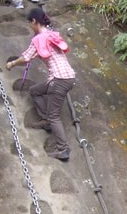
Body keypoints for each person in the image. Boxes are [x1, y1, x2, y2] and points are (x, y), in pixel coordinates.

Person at [6, 8, 76, 161]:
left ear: (34, 21)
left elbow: (26, 57)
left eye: (30, 23)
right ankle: (46, 121)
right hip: (65, 77)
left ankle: (63, 149)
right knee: (35, 91)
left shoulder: (39, 38)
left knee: (54, 116)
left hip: (59, 80)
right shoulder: (52, 35)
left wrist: (12, 63)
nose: (30, 26)